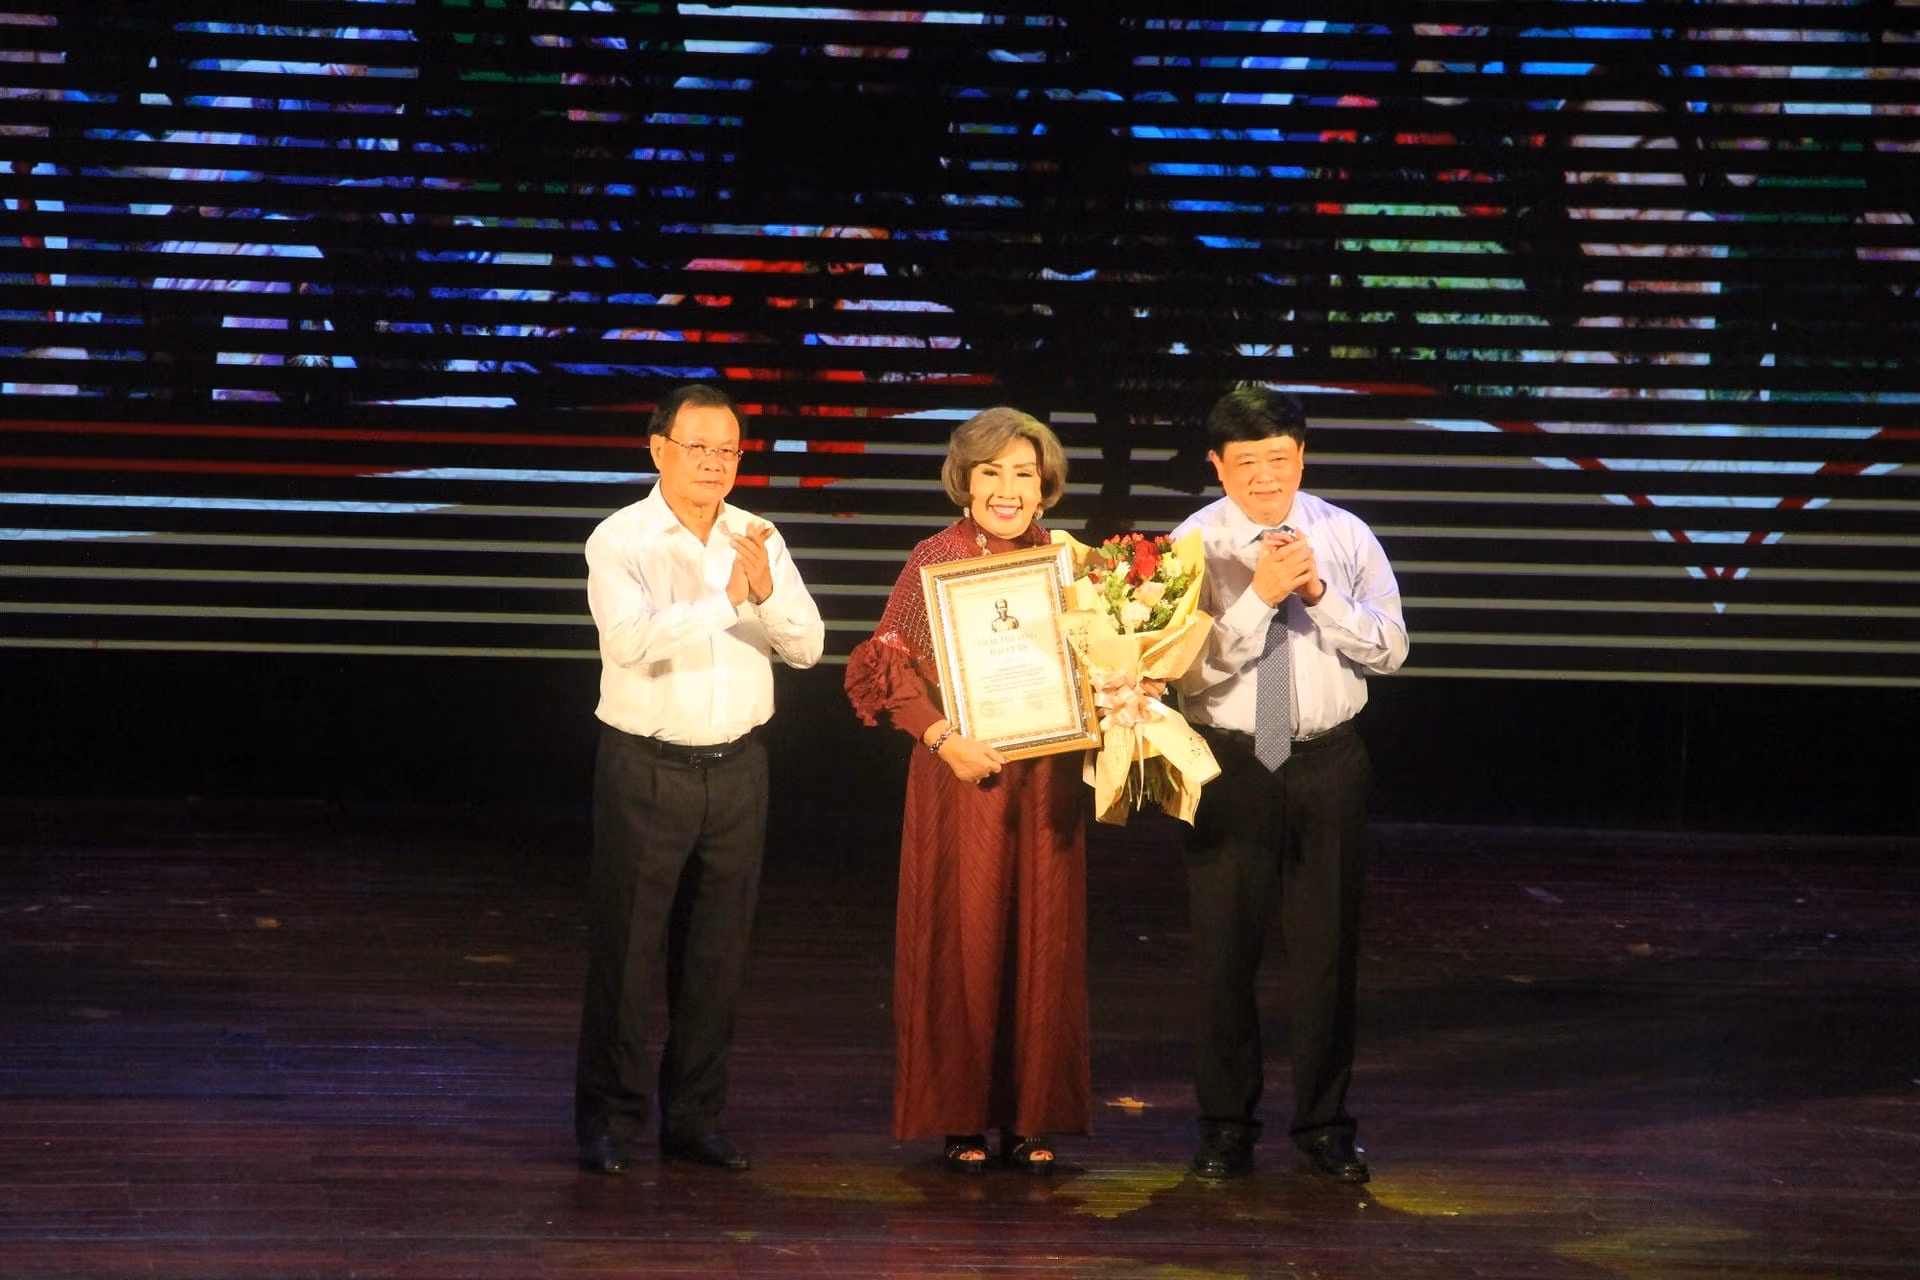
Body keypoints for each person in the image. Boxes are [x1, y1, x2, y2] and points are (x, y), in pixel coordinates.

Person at [573, 382, 825, 1176]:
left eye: (728, 451)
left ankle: (694, 1119)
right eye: (698, 448)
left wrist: (765, 593)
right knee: (628, 952)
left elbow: (808, 647)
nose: (714, 464)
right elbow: (629, 642)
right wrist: (726, 600)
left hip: (739, 769)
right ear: (659, 450)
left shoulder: (758, 537)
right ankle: (609, 1122)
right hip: (646, 769)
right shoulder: (620, 540)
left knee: (718, 955)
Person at [1171, 385, 1409, 1184]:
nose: (1266, 477)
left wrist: (1316, 595)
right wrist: (1258, 600)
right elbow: (1183, 672)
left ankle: (1325, 1126)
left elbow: (1391, 650)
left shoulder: (1345, 535)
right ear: (1217, 465)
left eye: (1280, 458)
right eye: (1247, 462)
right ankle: (1225, 1127)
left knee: (1326, 955)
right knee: (1223, 956)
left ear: (1302, 457)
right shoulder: (1190, 546)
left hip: (1327, 762)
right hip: (1231, 762)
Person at [844, 406, 1090, 1177]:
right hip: (961, 775)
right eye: (991, 473)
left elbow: (1099, 662)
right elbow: (887, 668)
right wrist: (943, 740)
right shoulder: (936, 557)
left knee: (1042, 939)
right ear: (966, 482)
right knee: (962, 938)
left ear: (1045, 486)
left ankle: (1031, 1116)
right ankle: (960, 1116)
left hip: (1045, 779)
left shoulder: (1067, 562)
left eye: (1024, 473)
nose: (1007, 489)